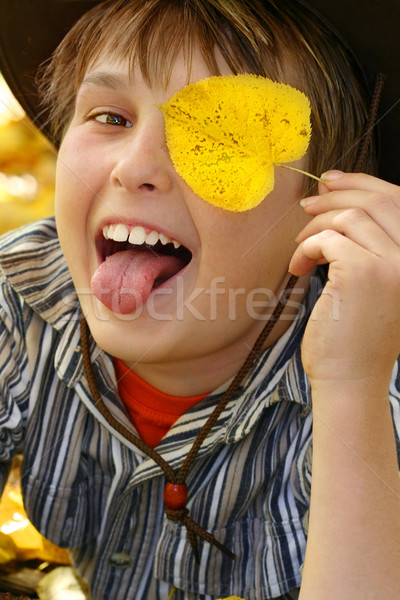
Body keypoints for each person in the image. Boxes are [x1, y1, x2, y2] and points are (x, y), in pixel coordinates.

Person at [0, 0, 399, 599]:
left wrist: (351, 385)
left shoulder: (374, 376)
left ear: (329, 206)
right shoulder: (20, 298)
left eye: (217, 137)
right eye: (110, 118)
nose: (135, 168)